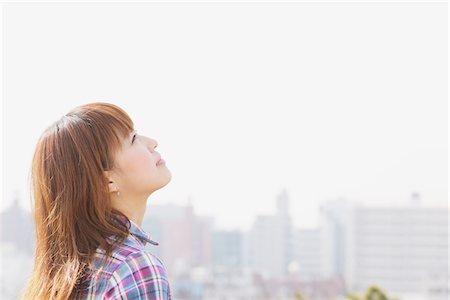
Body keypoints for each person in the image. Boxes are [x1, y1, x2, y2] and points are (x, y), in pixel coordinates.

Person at [20, 102, 173, 299]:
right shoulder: (134, 267)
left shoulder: (60, 277)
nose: (152, 142)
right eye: (133, 139)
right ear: (106, 180)